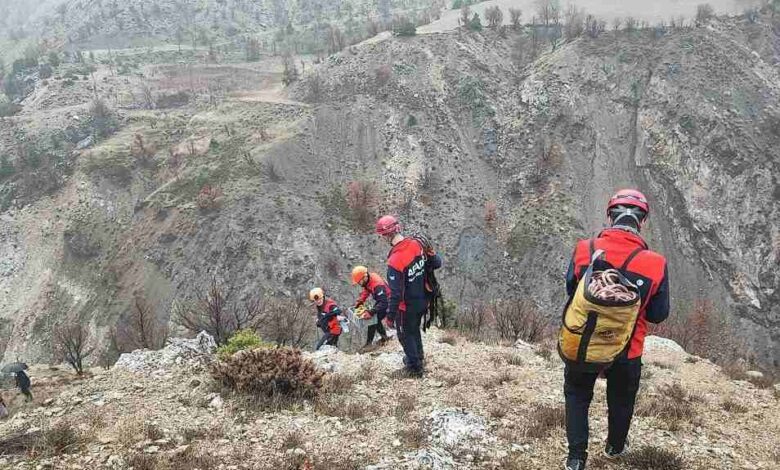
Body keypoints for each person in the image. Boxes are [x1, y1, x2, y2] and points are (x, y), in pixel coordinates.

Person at [562, 189, 670, 470]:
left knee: (577, 394)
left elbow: (572, 291)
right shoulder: (656, 263)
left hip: (584, 341)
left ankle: (576, 458)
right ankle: (615, 447)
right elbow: (659, 315)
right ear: (642, 222)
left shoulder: (583, 249)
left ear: (610, 216)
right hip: (627, 347)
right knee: (621, 399)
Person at [376, 215, 443, 378]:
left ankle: (415, 368)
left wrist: (390, 317)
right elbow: (437, 263)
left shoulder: (395, 261)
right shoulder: (416, 244)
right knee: (414, 330)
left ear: (385, 236)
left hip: (406, 307)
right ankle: (418, 358)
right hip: (423, 300)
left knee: (405, 334)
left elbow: (396, 294)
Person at [351, 265, 391, 352]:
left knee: (373, 320)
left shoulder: (377, 285)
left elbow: (383, 303)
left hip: (389, 302)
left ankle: (369, 344)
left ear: (364, 277)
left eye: (359, 282)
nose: (359, 284)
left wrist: (371, 312)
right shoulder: (369, 279)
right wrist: (361, 300)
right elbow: (367, 289)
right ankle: (385, 337)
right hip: (383, 300)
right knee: (376, 319)